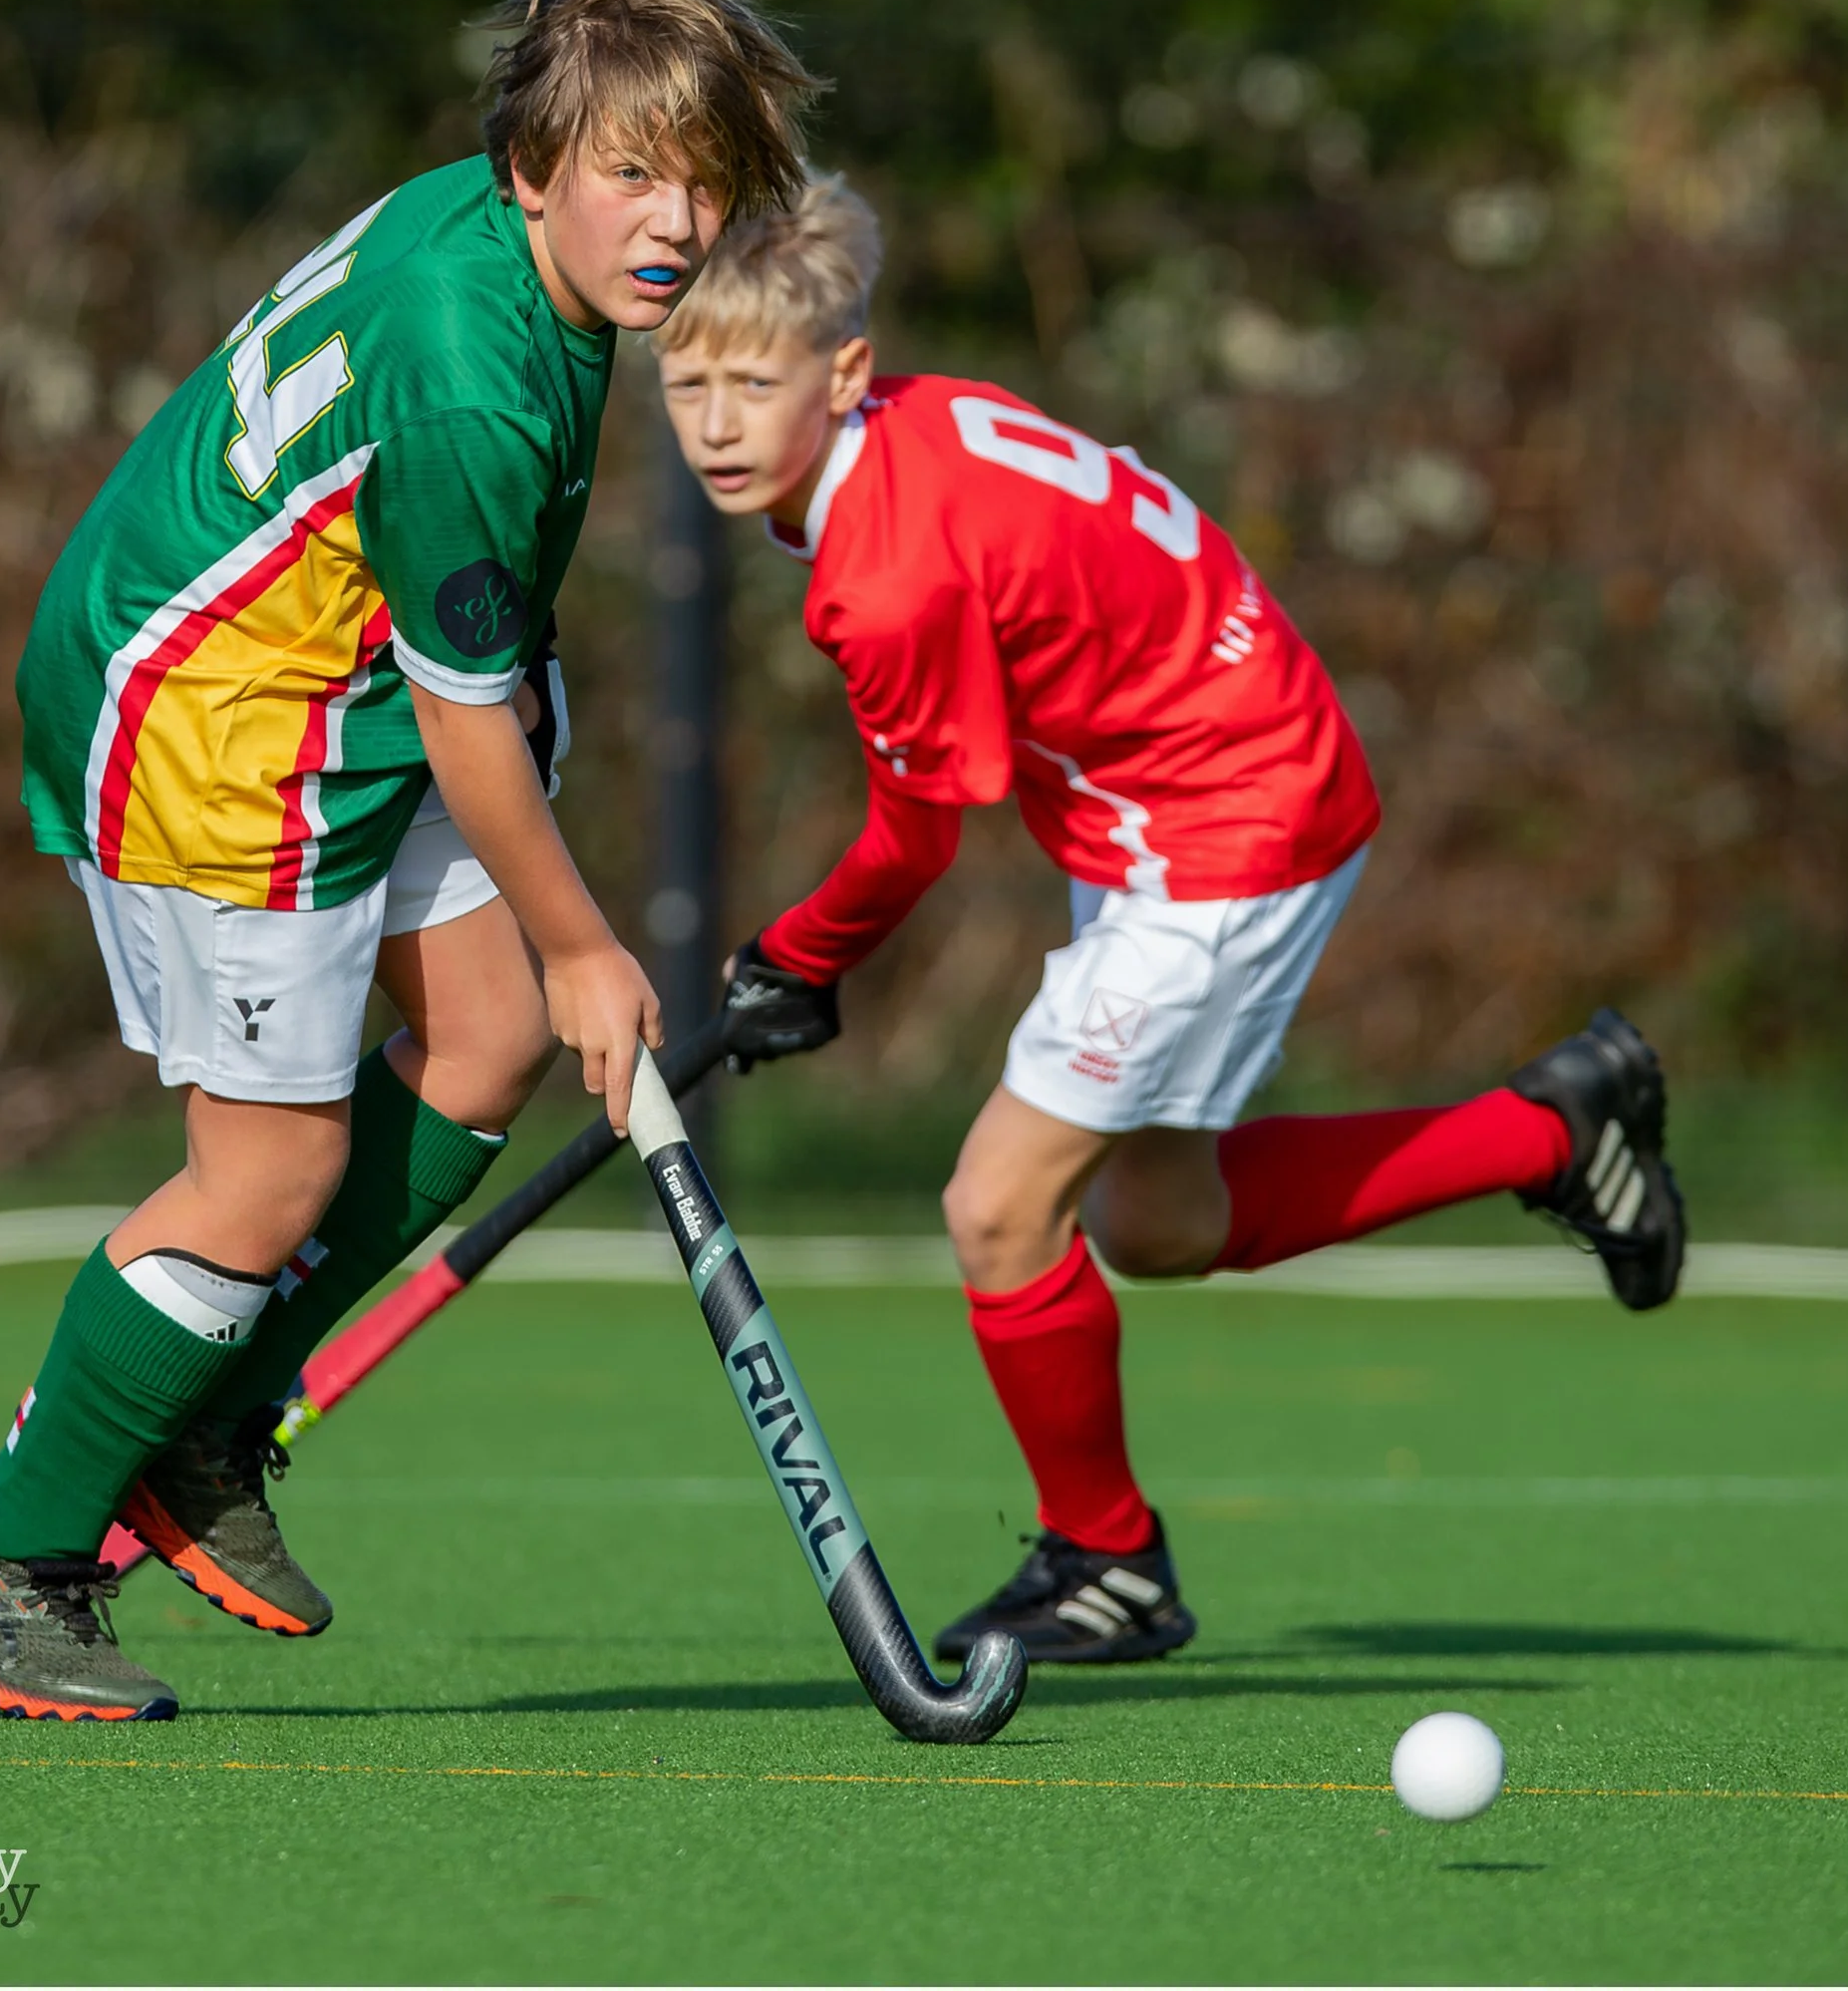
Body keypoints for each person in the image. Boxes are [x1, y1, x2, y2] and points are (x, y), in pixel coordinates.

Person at [0, 0, 820, 1721]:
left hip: (339, 672)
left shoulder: (516, 244)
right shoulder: (473, 373)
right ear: (536, 167)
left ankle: (199, 1423)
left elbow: (464, 649)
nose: (672, 221)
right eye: (630, 174)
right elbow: (465, 711)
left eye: (705, 180)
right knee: (270, 1172)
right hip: (215, 719)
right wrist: (596, 941)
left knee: (486, 1039)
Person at [659, 178, 1685, 1668]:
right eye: (687, 384)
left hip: (1222, 818)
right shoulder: (916, 430)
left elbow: (920, 836)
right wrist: (804, 964)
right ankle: (1555, 1130)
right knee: (1158, 1221)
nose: (715, 425)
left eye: (753, 384)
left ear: (845, 373)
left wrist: (800, 963)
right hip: (1196, 773)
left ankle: (1108, 1563)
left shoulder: (884, 574)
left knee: (1000, 1208)